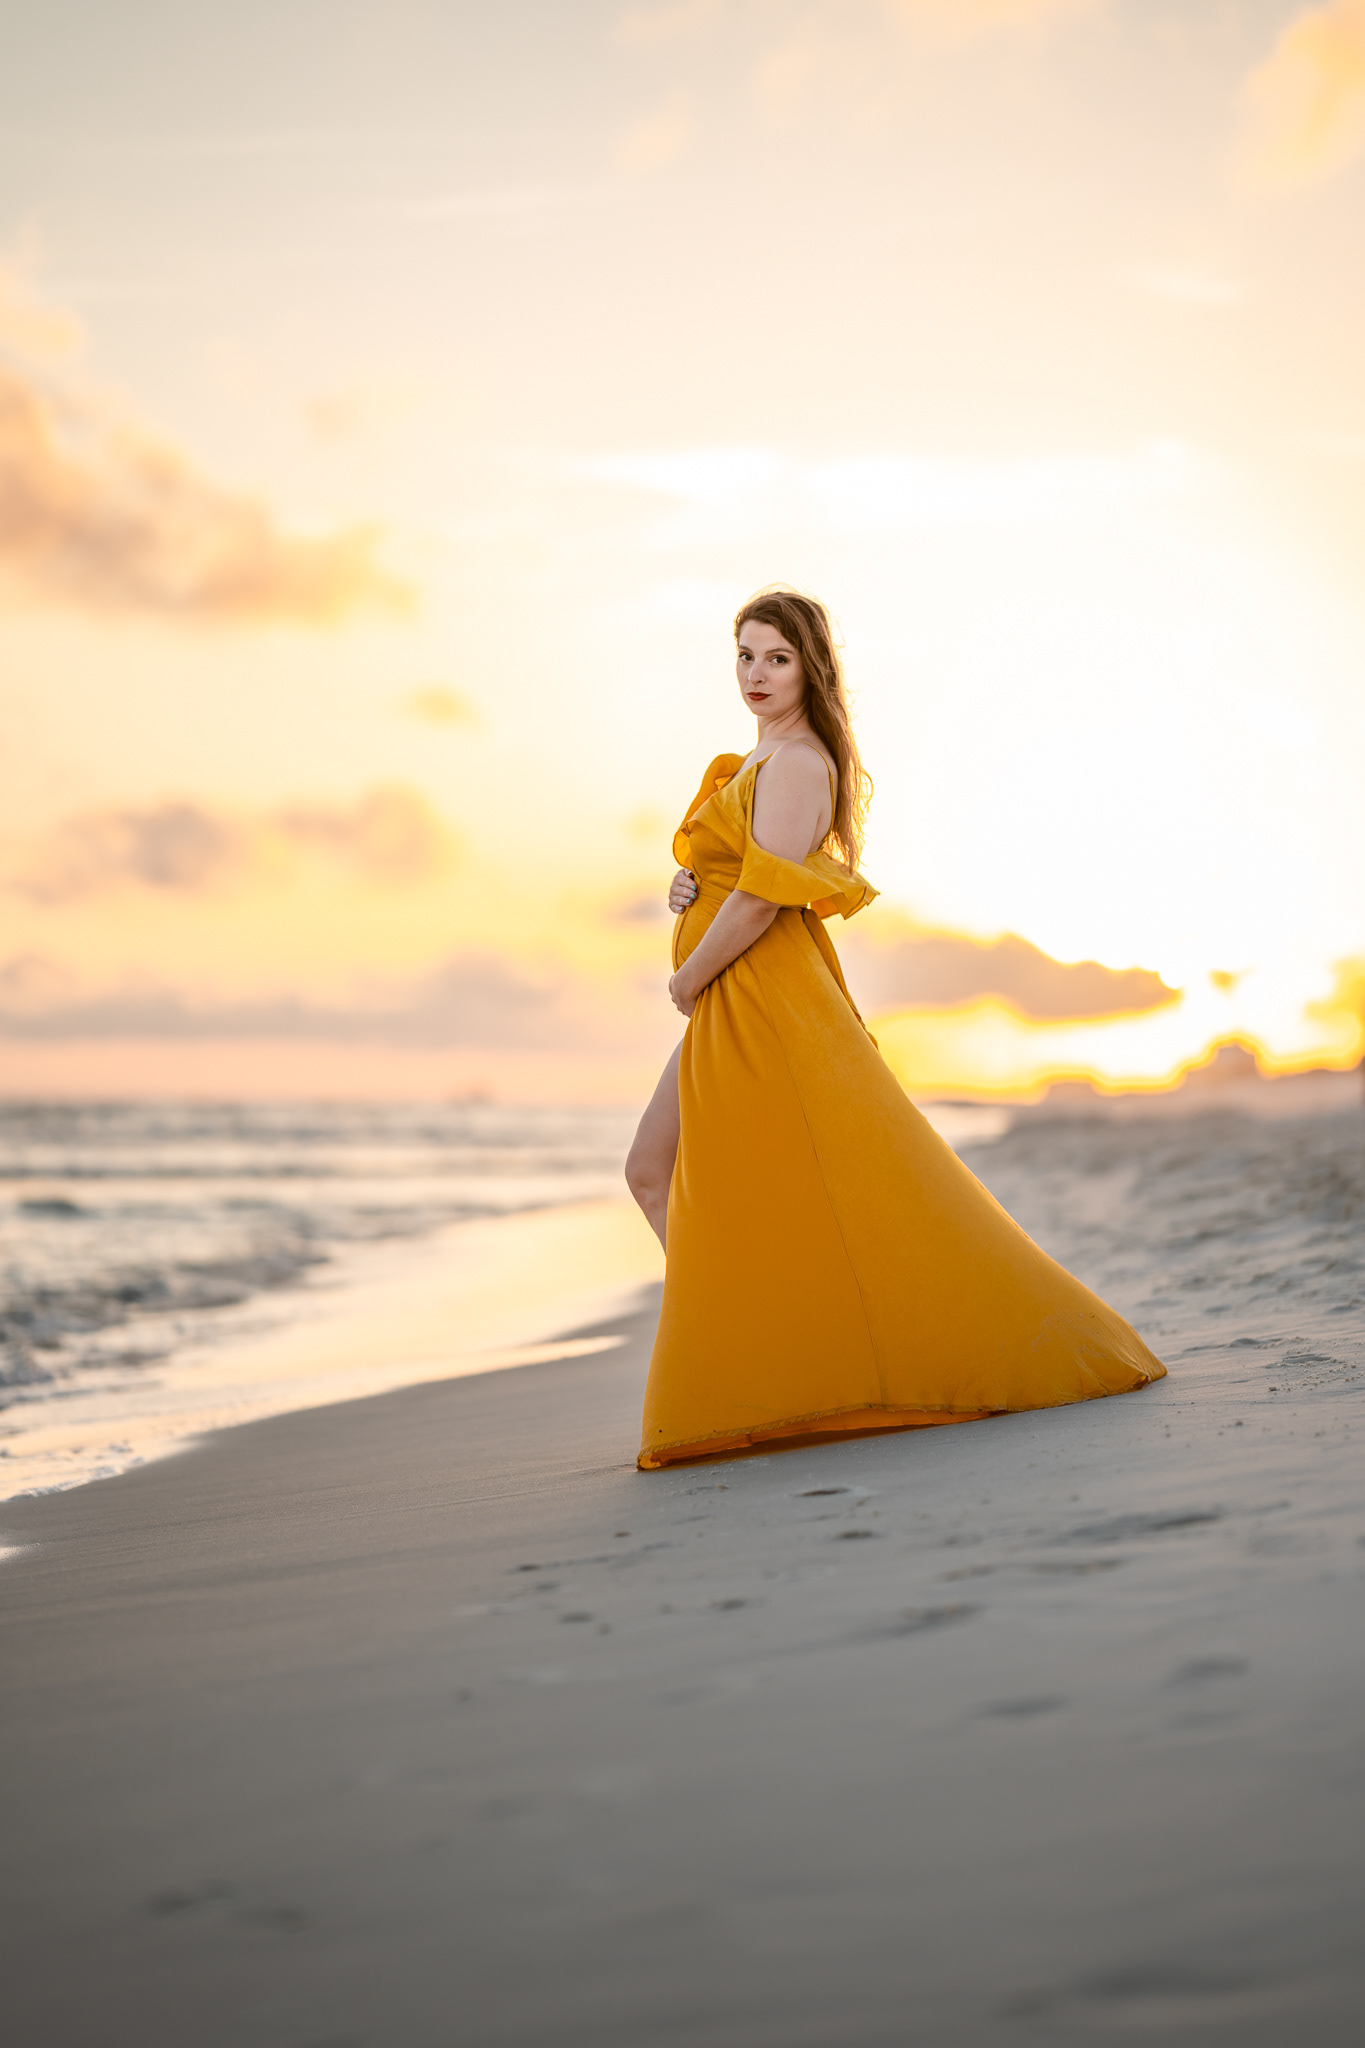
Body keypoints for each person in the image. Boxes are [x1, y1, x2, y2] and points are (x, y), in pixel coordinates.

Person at [626, 586, 1165, 1469]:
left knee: (754, 1175)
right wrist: (684, 888)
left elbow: (764, 897)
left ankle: (765, 1356)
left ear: (811, 669)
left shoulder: (798, 762)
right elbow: (741, 875)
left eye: (777, 658)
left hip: (757, 996)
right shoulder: (760, 758)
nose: (756, 675)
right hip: (737, 995)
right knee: (655, 1171)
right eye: (745, 656)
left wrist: (687, 972)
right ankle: (758, 1345)